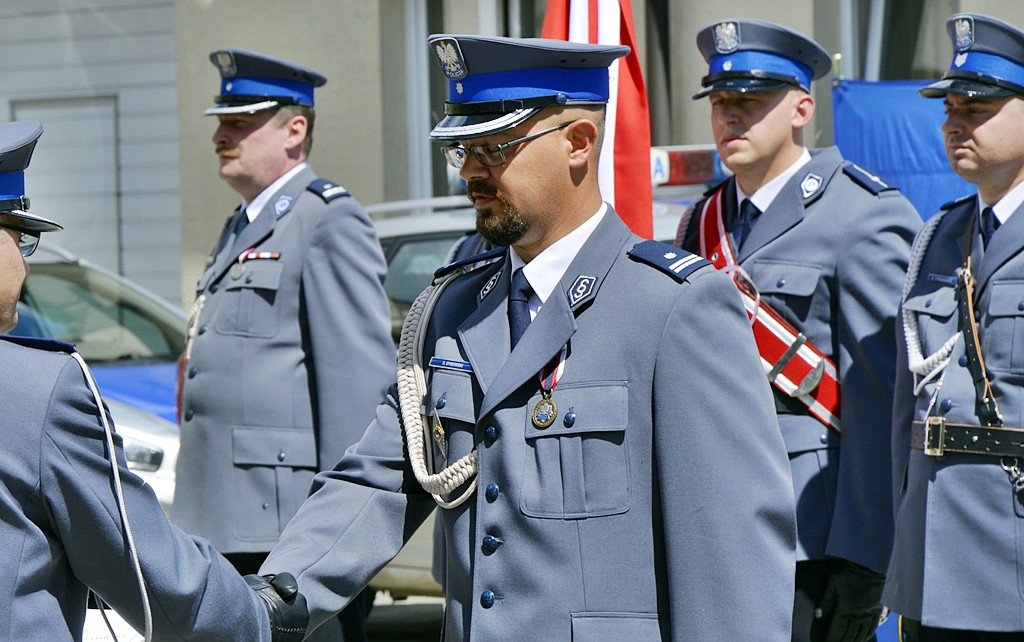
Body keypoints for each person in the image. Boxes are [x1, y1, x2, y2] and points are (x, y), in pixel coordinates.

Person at [249, 34, 798, 641]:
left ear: (579, 143)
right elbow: (378, 479)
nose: (472, 170)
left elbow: (730, 563)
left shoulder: (673, 308)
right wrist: (276, 596)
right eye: (462, 148)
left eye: (495, 145)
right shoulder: (452, 309)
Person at [675, 19, 922, 642]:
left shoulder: (863, 214)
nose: (730, 117)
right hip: (707, 527)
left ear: (801, 109)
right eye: (721, 103)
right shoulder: (699, 223)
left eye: (751, 102)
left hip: (809, 537)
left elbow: (880, 402)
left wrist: (867, 557)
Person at [0, 119, 294, 640]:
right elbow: (144, 568)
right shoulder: (37, 386)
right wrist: (254, 614)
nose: (26, 268)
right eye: (21, 241)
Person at [173, 48, 394, 640]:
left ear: (295, 130)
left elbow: (356, 394)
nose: (221, 135)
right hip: (221, 524)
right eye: (221, 121)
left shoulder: (327, 220)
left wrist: (337, 541)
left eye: (240, 122)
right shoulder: (240, 225)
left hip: (289, 541)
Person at [884, 13, 1024, 641]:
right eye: (951, 106)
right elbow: (903, 415)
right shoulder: (938, 237)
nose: (954, 122)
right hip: (933, 560)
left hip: (1012, 554)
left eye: (980, 107)